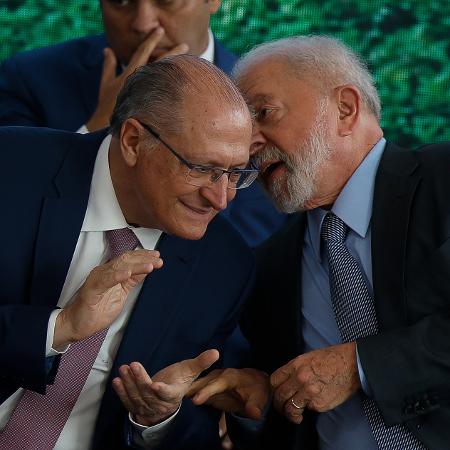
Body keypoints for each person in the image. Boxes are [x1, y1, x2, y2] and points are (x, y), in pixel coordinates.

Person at [188, 36, 450, 450]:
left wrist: (362, 365)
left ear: (345, 109)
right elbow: (288, 412)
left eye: (263, 113)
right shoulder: (269, 266)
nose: (248, 144)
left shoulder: (443, 179)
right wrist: (257, 398)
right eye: (241, 126)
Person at [0, 55, 257, 450]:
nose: (221, 198)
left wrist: (158, 420)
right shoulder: (12, 169)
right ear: (134, 141)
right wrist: (57, 329)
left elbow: (199, 431)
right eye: (202, 167)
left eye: (237, 173)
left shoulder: (223, 266)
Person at [0, 0, 286, 246]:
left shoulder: (263, 105)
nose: (142, 22)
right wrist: (94, 134)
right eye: (121, 2)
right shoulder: (31, 80)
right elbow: (13, 216)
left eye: (165, 1)